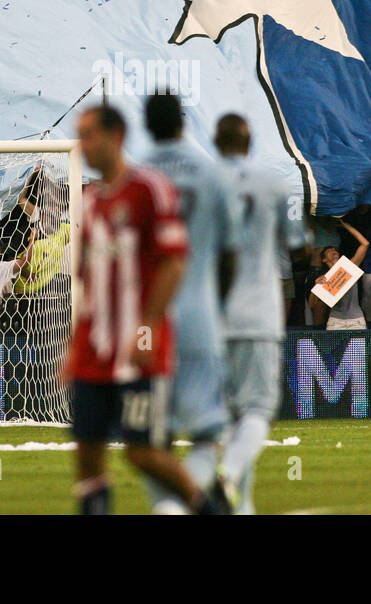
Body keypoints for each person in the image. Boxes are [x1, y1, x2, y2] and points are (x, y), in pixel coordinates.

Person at [67, 105, 226, 515]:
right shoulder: (90, 204)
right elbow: (88, 281)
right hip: (93, 350)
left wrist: (145, 332)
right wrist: (72, 348)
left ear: (116, 134)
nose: (82, 145)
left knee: (141, 452)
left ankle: (206, 505)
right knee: (86, 455)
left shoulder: (150, 188)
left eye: (89, 135)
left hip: (138, 351)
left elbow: (174, 262)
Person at [141, 92, 239, 513]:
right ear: (181, 124)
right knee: (203, 434)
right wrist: (217, 303)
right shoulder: (212, 173)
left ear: (147, 125)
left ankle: (168, 508)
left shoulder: (137, 176)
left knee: (149, 437)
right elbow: (232, 251)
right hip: (199, 317)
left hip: (148, 323)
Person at [213, 112, 305, 513]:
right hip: (260, 313)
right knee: (257, 411)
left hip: (213, 316)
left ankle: (242, 504)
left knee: (230, 416)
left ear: (217, 144)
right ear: (249, 145)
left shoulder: (202, 184)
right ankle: (227, 475)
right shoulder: (272, 184)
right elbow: (299, 244)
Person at [308, 220, 369, 329]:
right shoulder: (324, 278)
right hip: (336, 321)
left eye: (334, 248)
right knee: (335, 347)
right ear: (324, 260)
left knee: (358, 347)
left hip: (356, 320)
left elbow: (365, 244)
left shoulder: (348, 268)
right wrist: (316, 287)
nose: (333, 249)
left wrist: (347, 226)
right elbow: (312, 304)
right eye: (328, 250)